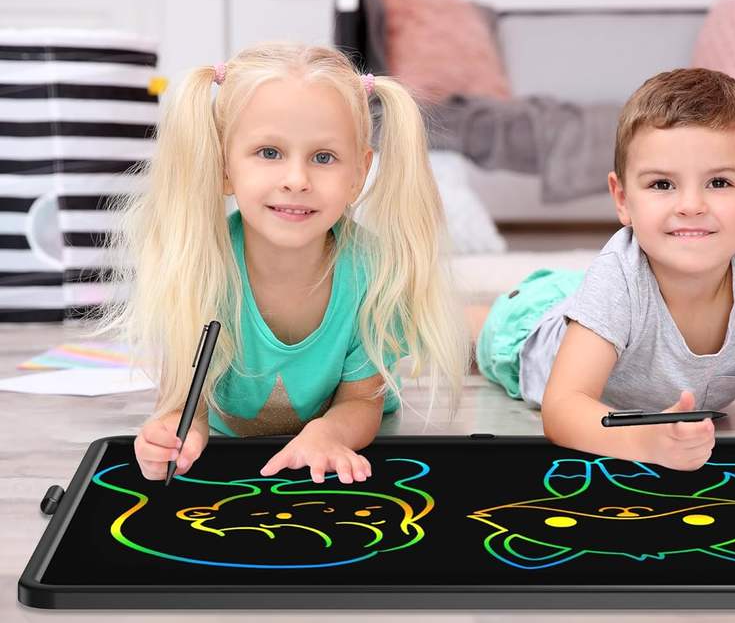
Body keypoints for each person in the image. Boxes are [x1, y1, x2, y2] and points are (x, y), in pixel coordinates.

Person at [92, 43, 470, 484]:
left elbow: (361, 401)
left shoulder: (376, 272)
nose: (296, 180)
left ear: (358, 174)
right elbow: (183, 404)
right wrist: (171, 436)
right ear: (224, 165)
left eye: (323, 157)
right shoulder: (197, 265)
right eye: (269, 152)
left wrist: (327, 434)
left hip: (342, 461)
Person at [477, 68, 735, 470]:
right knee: (465, 331)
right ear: (622, 199)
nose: (691, 206)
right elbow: (563, 407)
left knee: (602, 305)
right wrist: (644, 442)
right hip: (528, 326)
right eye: (662, 185)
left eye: (719, 183)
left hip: (603, 305)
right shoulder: (619, 278)